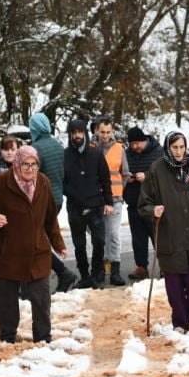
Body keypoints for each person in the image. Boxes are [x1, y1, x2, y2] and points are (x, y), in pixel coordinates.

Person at [0, 145, 67, 344]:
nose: (30, 169)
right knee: (7, 300)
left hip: (37, 249)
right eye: (25, 164)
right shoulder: (0, 183)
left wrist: (58, 243)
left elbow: (50, 217)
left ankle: (43, 337)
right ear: (17, 163)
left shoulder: (43, 182)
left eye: (34, 164)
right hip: (8, 251)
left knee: (42, 297)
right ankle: (8, 336)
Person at [139, 132, 189, 332]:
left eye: (182, 147)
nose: (179, 151)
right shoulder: (157, 169)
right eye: (175, 147)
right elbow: (143, 203)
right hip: (169, 234)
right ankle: (180, 322)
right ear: (167, 148)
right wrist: (152, 210)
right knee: (174, 286)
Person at [29, 112, 78, 293]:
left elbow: (32, 177)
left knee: (36, 241)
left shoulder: (36, 149)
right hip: (57, 199)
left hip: (42, 200)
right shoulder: (57, 145)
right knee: (39, 239)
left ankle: (62, 273)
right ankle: (59, 274)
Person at [63, 118, 112, 289]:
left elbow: (105, 179)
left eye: (80, 132)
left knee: (99, 241)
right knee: (79, 244)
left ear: (85, 133)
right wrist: (71, 193)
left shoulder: (96, 153)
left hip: (95, 205)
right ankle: (84, 275)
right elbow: (62, 182)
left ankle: (97, 274)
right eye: (74, 132)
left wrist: (108, 201)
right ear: (70, 134)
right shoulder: (65, 155)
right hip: (74, 207)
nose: (77, 135)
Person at [123, 126, 163, 280]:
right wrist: (129, 178)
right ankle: (141, 266)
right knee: (138, 238)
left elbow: (164, 174)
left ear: (144, 140)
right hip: (133, 202)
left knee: (158, 237)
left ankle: (165, 266)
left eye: (137, 143)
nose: (135, 147)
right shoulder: (126, 154)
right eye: (132, 144)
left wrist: (146, 176)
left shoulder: (158, 152)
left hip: (153, 204)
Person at [95, 116, 130, 286]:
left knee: (114, 234)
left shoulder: (119, 148)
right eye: (102, 132)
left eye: (108, 132)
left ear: (112, 132)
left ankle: (115, 269)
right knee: (100, 235)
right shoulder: (91, 148)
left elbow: (125, 173)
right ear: (96, 131)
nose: (105, 135)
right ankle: (102, 267)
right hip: (96, 199)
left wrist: (119, 191)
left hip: (115, 199)